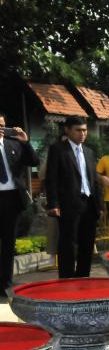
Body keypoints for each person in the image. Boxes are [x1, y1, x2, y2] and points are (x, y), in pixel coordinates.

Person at [44, 115, 103, 278]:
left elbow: (94, 180)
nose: (82, 134)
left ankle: (83, 277)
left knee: (87, 243)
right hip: (68, 204)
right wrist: (53, 204)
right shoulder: (58, 150)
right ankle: (67, 279)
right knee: (68, 244)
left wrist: (99, 205)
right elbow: (51, 178)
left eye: (84, 130)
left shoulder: (89, 152)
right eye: (78, 130)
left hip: (89, 204)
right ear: (67, 130)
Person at [0, 113, 38, 295]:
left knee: (9, 243)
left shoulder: (13, 144)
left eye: (2, 125)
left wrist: (25, 142)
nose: (0, 128)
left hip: (12, 198)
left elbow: (34, 161)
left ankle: (5, 284)